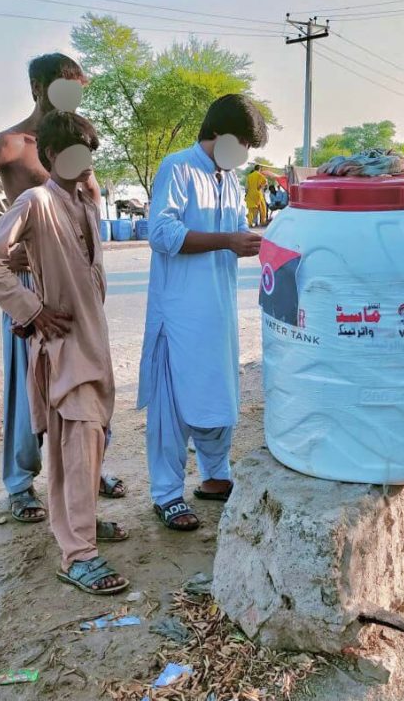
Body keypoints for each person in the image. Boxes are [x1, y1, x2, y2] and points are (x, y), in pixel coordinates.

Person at [0, 54, 127, 523]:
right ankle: (21, 482)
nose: (71, 95)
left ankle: (88, 466)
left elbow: (90, 210)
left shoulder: (77, 140)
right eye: (63, 86)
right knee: (27, 388)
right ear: (37, 87)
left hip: (74, 283)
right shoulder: (12, 144)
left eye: (78, 87)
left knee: (84, 376)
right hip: (29, 284)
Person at [0, 111, 128, 594]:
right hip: (61, 346)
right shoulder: (34, 201)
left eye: (89, 156)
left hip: (94, 342)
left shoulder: (88, 203)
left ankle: (78, 522)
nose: (83, 164)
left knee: (91, 441)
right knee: (75, 443)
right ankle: (78, 555)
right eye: (73, 154)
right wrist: (30, 310)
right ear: (51, 155)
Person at [139, 94, 266, 531]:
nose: (245, 154)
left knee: (218, 393)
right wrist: (228, 241)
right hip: (180, 310)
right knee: (172, 403)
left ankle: (215, 477)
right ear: (220, 134)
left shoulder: (229, 178)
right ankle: (167, 494)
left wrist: (244, 241)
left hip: (218, 307)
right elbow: (161, 233)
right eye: (243, 143)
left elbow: (228, 233)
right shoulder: (179, 166)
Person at [245, 163, 269, 227]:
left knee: (251, 210)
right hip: (258, 194)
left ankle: (250, 223)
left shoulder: (249, 176)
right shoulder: (260, 175)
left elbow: (246, 187)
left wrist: (246, 194)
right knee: (262, 208)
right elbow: (265, 181)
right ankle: (262, 222)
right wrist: (260, 186)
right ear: (259, 169)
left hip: (250, 194)